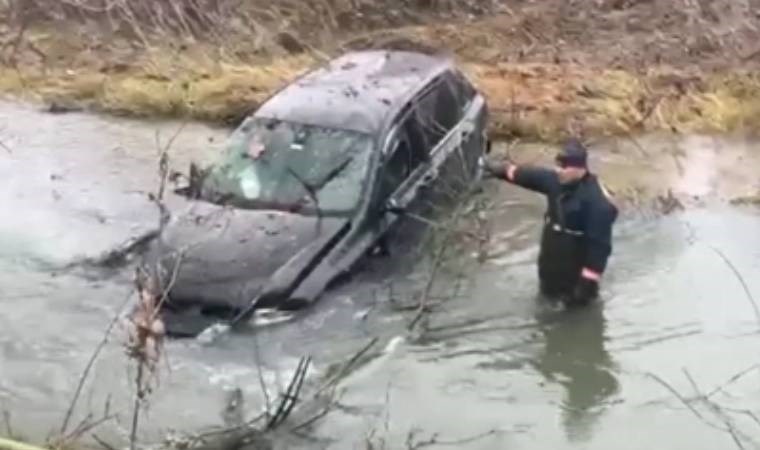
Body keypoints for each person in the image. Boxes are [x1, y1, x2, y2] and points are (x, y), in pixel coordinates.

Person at [483, 138, 618, 307]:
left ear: (580, 168)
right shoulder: (555, 181)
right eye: (558, 166)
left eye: (564, 167)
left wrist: (586, 286)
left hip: (574, 274)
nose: (559, 171)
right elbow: (524, 176)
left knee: (574, 319)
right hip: (550, 265)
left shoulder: (596, 203)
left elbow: (599, 248)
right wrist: (495, 169)